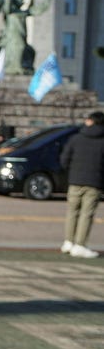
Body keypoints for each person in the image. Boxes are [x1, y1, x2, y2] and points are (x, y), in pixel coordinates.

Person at [59, 111, 104, 259]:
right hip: (94, 182)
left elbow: (64, 160)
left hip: (75, 180)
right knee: (87, 214)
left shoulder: (76, 138)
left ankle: (68, 242)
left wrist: (71, 172)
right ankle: (80, 244)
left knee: (72, 212)